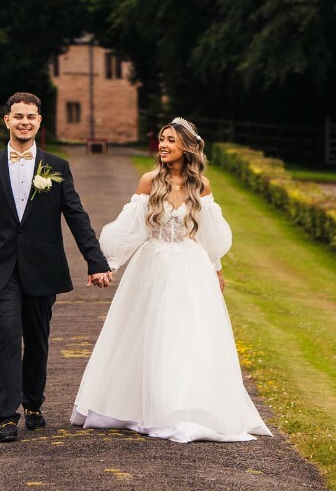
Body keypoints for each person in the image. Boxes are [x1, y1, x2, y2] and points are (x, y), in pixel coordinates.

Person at [71, 116, 272, 443]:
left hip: (192, 269)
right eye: (161, 139)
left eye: (170, 140)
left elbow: (209, 233)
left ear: (187, 147)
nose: (163, 145)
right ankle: (152, 407)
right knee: (155, 333)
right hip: (154, 266)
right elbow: (130, 229)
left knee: (190, 334)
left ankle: (187, 407)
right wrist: (109, 264)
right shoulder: (149, 181)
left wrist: (216, 267)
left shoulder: (201, 186)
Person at [0, 91, 112, 443]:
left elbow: (76, 216)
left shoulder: (56, 167)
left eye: (31, 117)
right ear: (7, 120)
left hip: (43, 267)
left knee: (38, 341)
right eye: (18, 116)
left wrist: (95, 261)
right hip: (2, 269)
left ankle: (33, 403)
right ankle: (7, 415)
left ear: (40, 122)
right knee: (7, 334)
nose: (24, 122)